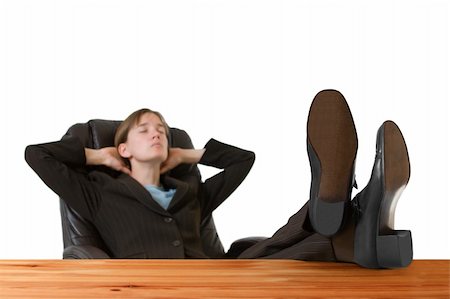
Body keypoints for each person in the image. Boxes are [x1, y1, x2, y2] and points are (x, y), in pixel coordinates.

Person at [25, 89, 412, 268]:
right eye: (143, 130)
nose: (157, 132)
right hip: (157, 287)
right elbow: (36, 155)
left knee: (287, 246)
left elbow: (243, 161)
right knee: (318, 243)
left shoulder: (189, 192)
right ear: (122, 148)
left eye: (162, 128)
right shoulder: (97, 193)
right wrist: (97, 153)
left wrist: (187, 153)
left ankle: (343, 209)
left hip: (225, 276)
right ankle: (361, 213)